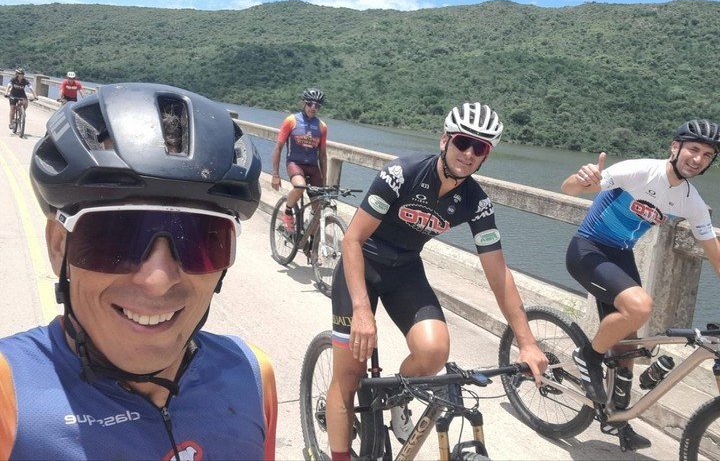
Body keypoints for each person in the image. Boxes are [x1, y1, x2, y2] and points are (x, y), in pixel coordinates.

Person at [0, 83, 278, 460]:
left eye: (202, 240)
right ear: (58, 246)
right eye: (115, 236)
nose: (157, 281)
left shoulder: (252, 379)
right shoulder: (8, 394)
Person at [325, 102, 549, 460]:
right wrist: (363, 312)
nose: (469, 153)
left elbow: (498, 273)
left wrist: (527, 342)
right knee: (349, 375)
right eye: (463, 142)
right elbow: (351, 239)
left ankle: (396, 395)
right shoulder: (402, 174)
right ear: (445, 139)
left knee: (433, 353)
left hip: (405, 271)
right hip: (362, 265)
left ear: (486, 156)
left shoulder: (476, 202)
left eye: (481, 148)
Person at [562, 119, 720, 451]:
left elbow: (713, 251)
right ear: (675, 147)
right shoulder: (639, 171)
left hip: (620, 256)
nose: (698, 158)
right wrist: (582, 179)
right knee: (641, 306)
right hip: (588, 248)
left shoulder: (690, 201)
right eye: (693, 149)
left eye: (707, 155)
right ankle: (588, 356)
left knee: (628, 349)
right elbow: (569, 189)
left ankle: (619, 423)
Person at [270, 88, 328, 233]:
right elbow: (278, 148)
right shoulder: (291, 121)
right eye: (310, 104)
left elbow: (322, 155)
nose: (313, 108)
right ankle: (288, 211)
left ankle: (311, 245)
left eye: (317, 105)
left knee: (319, 208)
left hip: (313, 167)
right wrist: (275, 175)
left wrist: (324, 180)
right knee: (300, 186)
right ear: (304, 103)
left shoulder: (322, 126)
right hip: (295, 164)